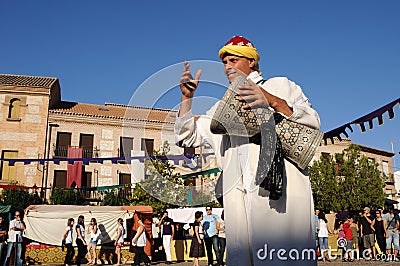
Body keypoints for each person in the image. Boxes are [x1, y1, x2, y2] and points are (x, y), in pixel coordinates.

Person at [175, 36, 320, 265]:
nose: (227, 67)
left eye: (233, 60)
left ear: (251, 62)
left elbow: (313, 121)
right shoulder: (220, 108)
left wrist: (271, 100)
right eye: (224, 63)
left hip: (278, 191)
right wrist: (186, 99)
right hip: (237, 194)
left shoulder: (280, 85)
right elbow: (188, 136)